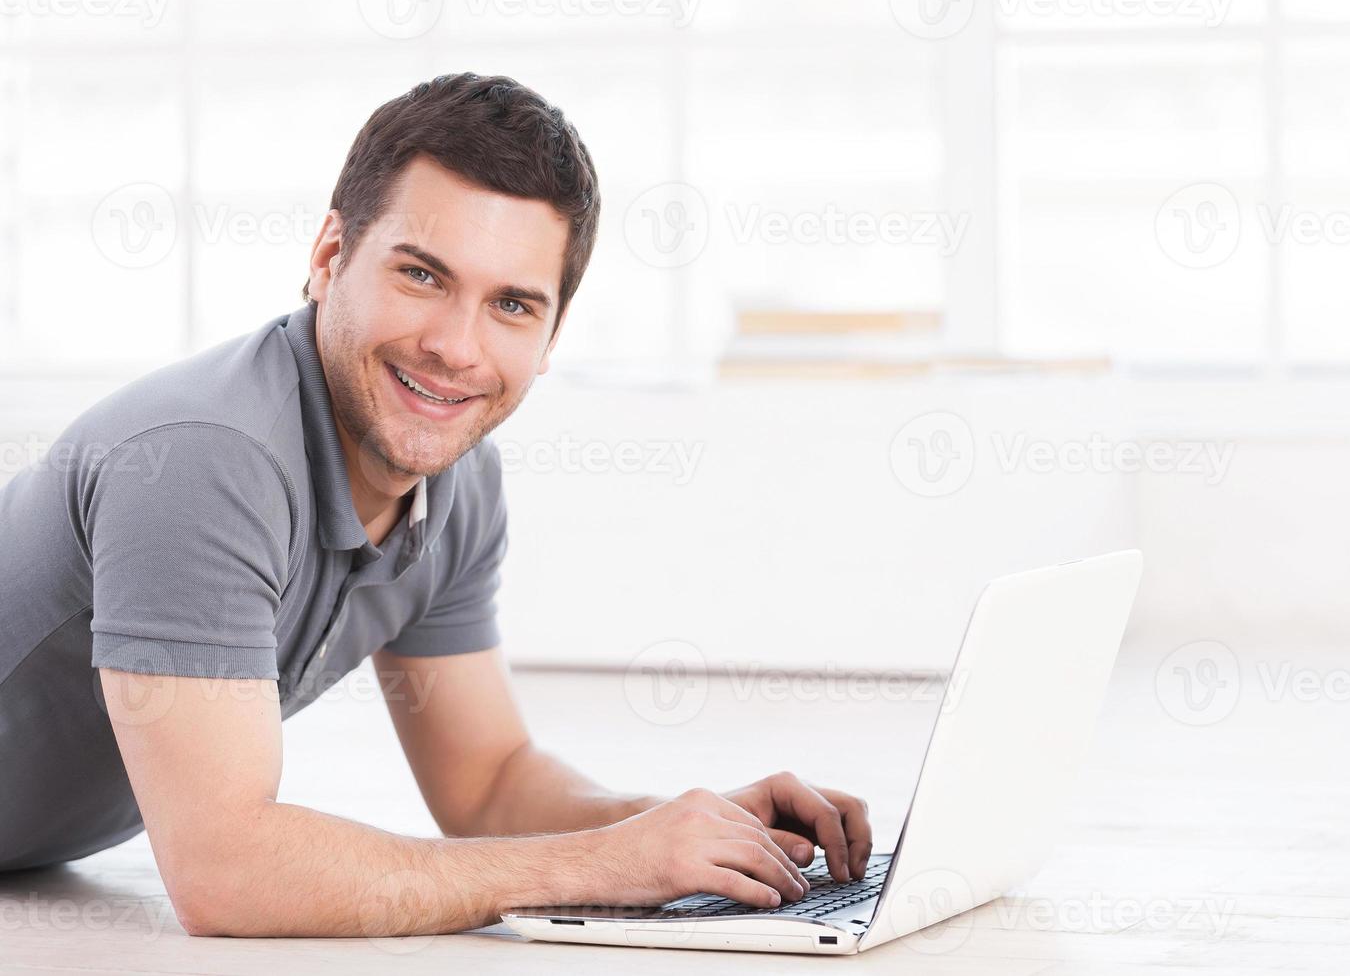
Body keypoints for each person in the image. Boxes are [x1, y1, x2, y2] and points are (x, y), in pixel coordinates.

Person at [0, 72, 871, 937]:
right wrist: (610, 863)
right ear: (328, 257)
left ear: (553, 335)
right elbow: (228, 871)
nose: (456, 348)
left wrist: (683, 829)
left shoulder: (454, 479)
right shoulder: (202, 460)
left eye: (511, 304)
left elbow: (488, 782)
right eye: (421, 276)